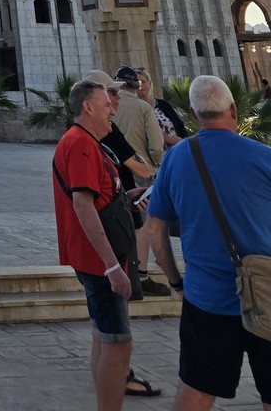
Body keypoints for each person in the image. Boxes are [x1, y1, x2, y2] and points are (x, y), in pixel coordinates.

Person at [146, 74, 271, 410]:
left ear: (193, 113)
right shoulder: (265, 157)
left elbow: (154, 230)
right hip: (268, 294)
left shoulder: (176, 158)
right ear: (233, 109)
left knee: (197, 390)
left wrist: (176, 283)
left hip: (206, 298)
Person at [53, 80, 161, 409]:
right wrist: (112, 266)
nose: (112, 111)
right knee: (118, 344)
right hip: (101, 260)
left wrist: (127, 197)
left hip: (96, 259)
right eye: (106, 105)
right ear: (87, 107)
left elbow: (96, 195)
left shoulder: (86, 142)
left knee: (103, 337)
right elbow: (83, 205)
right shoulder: (81, 144)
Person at [111, 65, 166, 293]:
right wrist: (157, 164)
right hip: (141, 173)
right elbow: (156, 145)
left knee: (118, 223)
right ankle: (140, 275)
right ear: (136, 86)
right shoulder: (143, 107)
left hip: (113, 172)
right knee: (142, 224)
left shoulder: (109, 105)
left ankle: (120, 270)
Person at [136, 69, 185, 148]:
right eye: (137, 82)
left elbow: (180, 126)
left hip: (177, 148)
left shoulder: (163, 104)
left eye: (143, 82)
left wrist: (184, 143)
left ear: (149, 83)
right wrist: (167, 139)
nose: (140, 85)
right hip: (157, 152)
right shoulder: (136, 108)